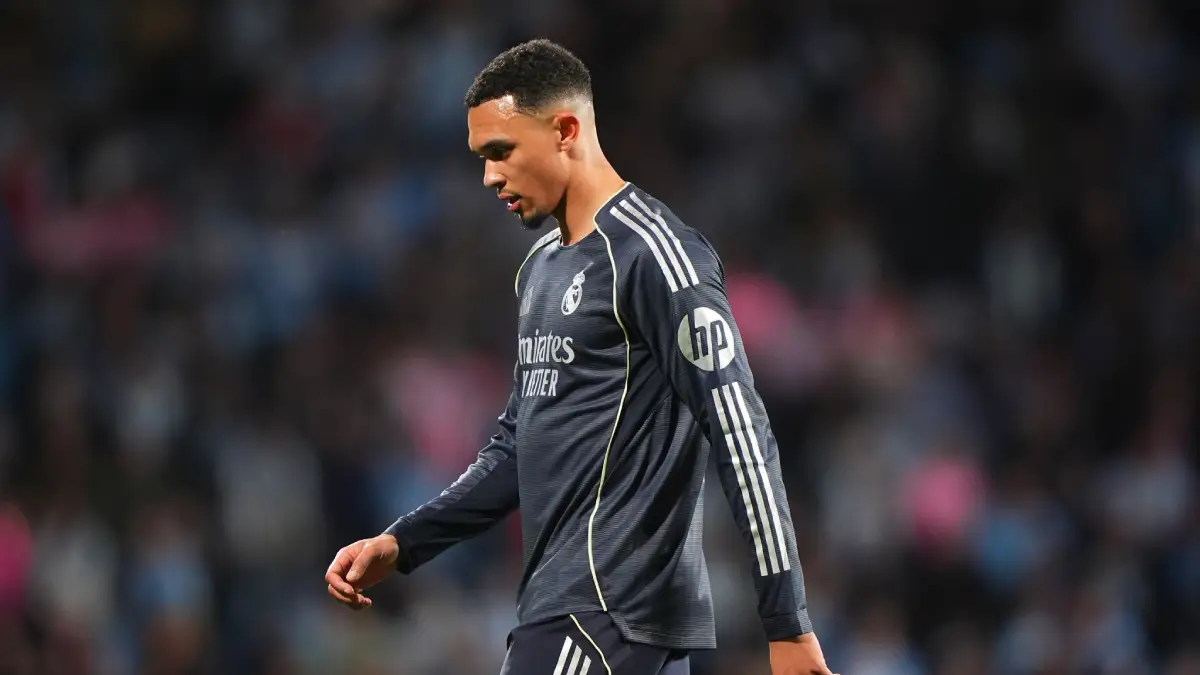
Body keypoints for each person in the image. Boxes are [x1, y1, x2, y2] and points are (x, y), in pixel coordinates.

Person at [325, 39, 838, 675]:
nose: (489, 176)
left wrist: (786, 623)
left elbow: (739, 429)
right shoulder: (540, 268)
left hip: (605, 614)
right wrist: (404, 543)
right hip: (583, 618)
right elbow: (518, 447)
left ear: (566, 130)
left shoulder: (655, 255)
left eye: (501, 151)